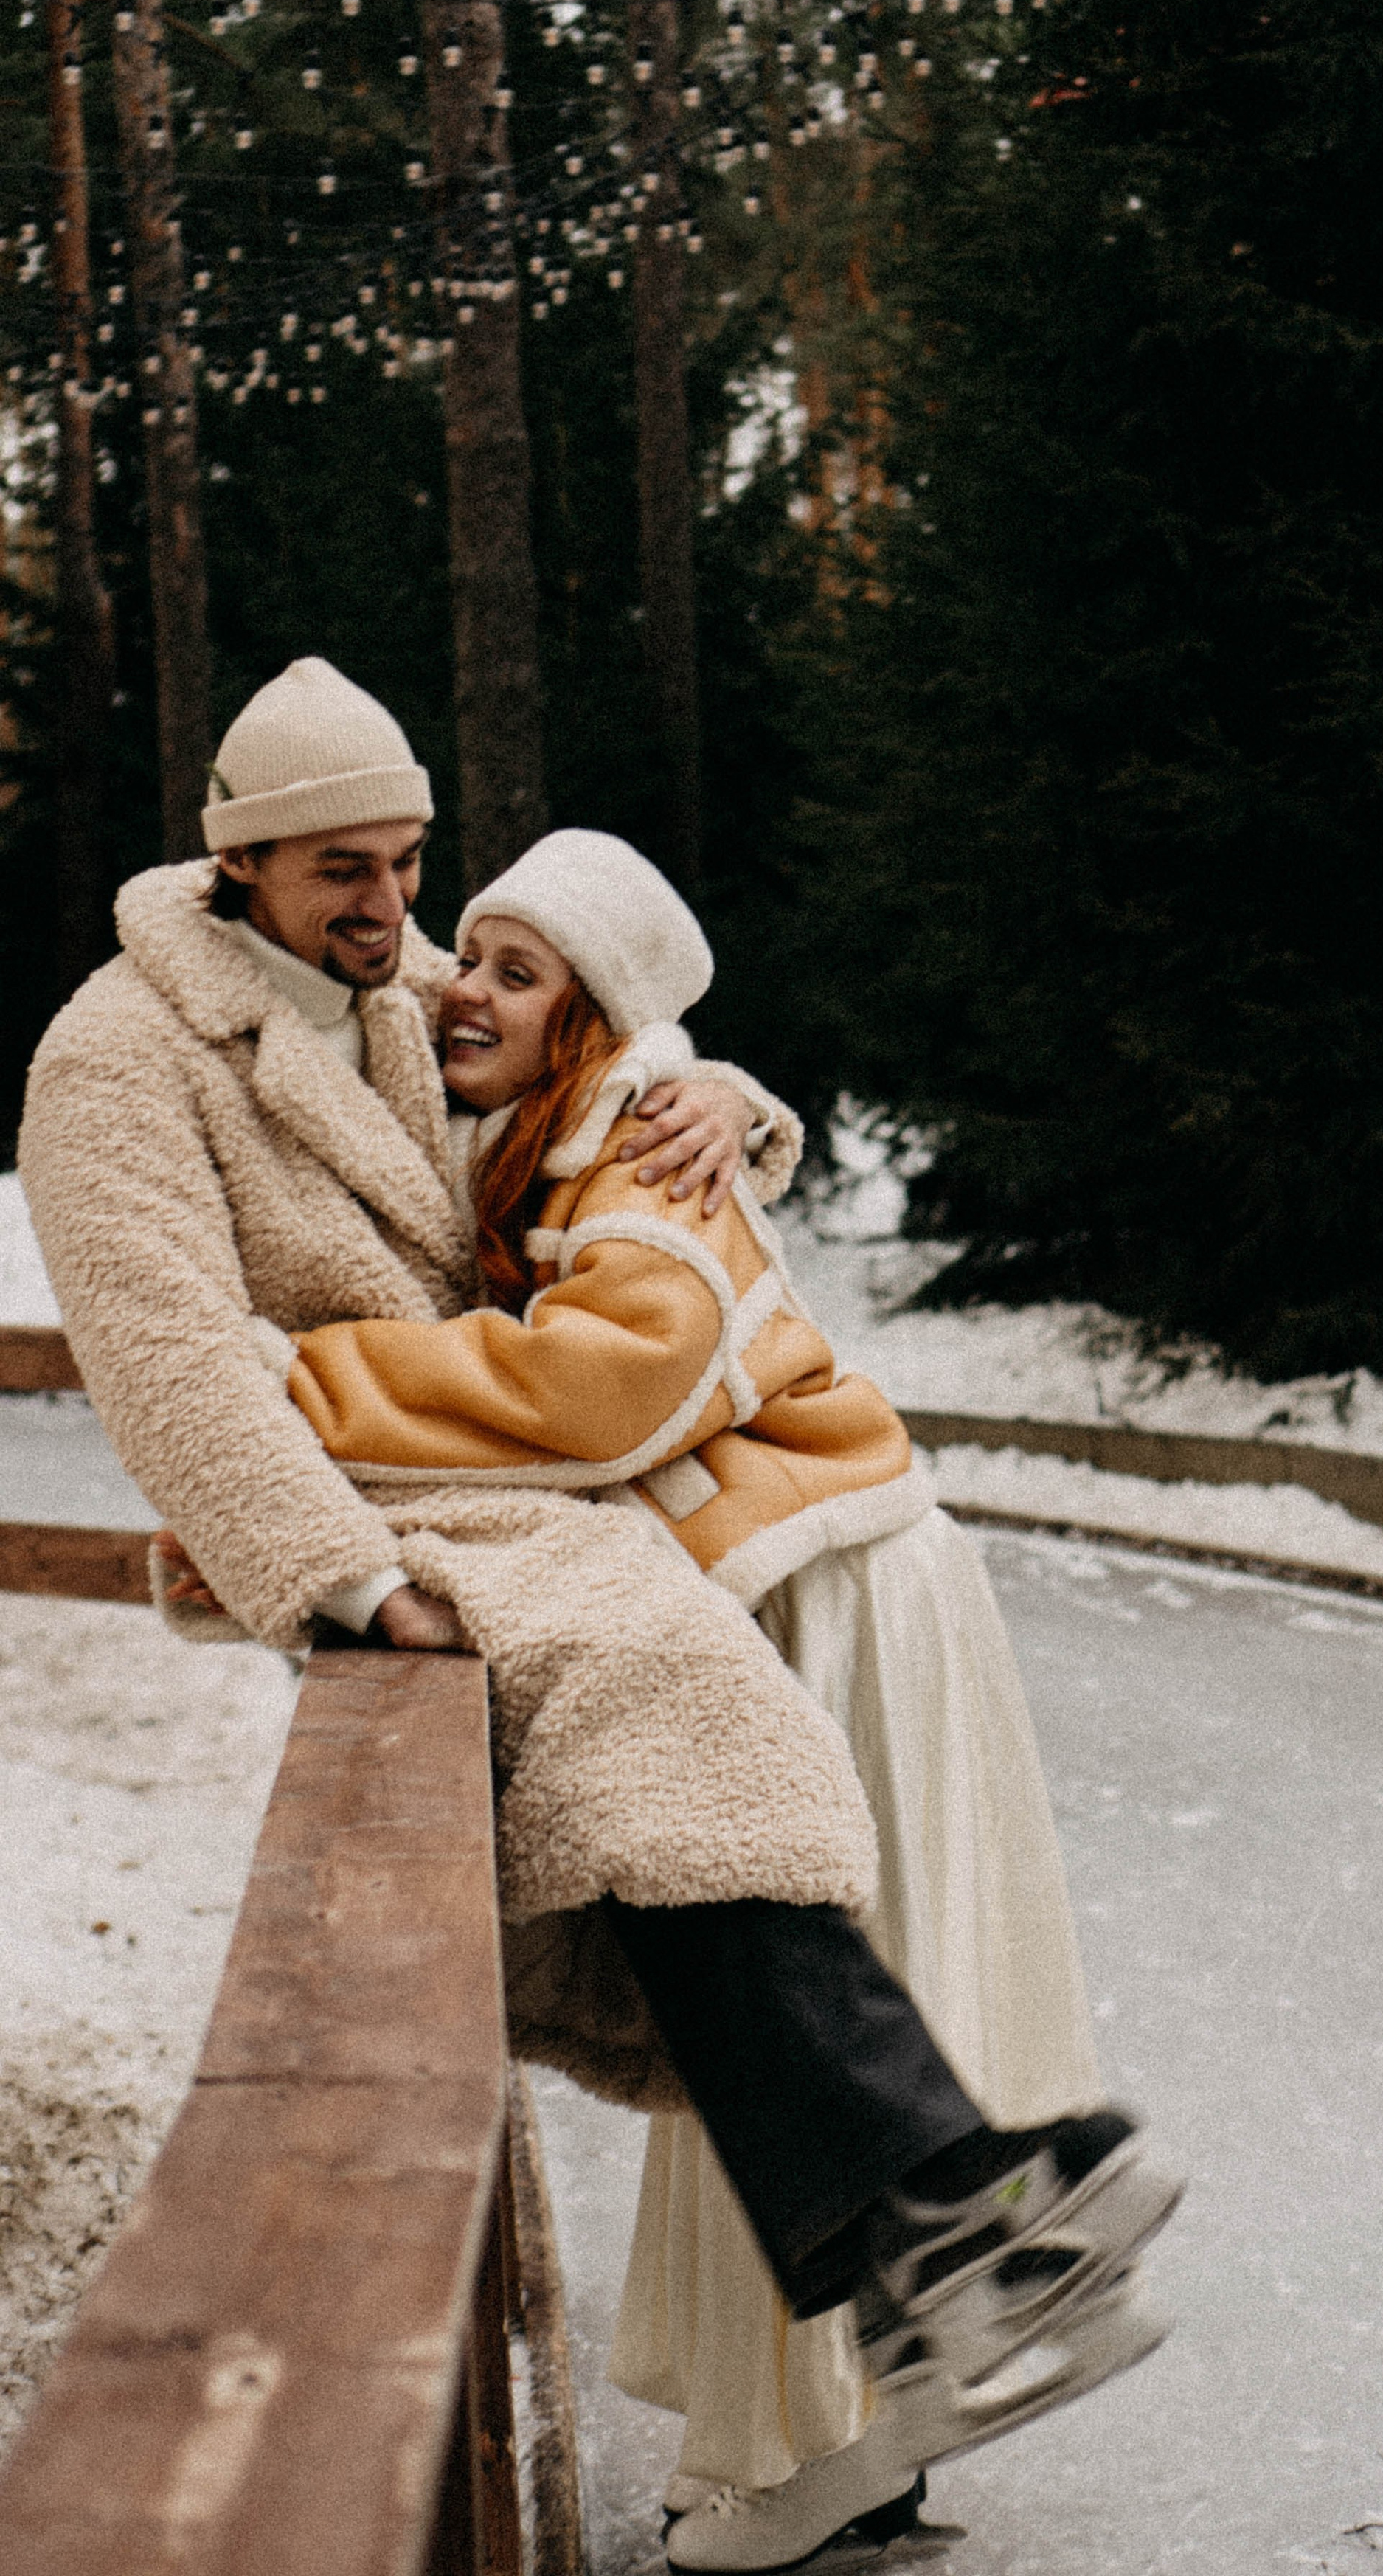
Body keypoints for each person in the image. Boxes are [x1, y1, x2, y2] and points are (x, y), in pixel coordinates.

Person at [19, 661, 1180, 2575]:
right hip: (366, 1507)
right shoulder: (118, 1059)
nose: (394, 916)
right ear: (237, 859)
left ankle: (935, 2248)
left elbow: (592, 1080)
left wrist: (736, 1101)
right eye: (343, 871)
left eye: (405, 864)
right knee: (665, 1718)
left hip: (506, 1487)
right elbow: (166, 1370)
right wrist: (333, 1578)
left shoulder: (385, 994)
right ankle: (948, 2229)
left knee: (697, 1762)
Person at [250, 824, 1127, 2546]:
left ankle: (839, 2436)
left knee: (795, 1978)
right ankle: (864, 2422)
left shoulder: (643, 1146)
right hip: (793, 1578)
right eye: (466, 952)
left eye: (515, 969)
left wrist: (305, 1387)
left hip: (831, 1587)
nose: (459, 991)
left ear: (596, 1016)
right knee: (786, 1996)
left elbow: (608, 1388)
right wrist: (737, 1087)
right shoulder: (572, 1120)